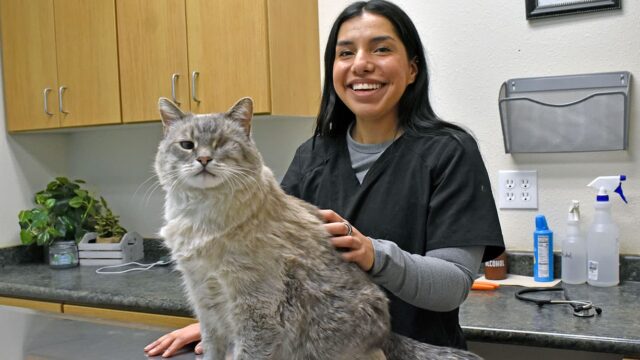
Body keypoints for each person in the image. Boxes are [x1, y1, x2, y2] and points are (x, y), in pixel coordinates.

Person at [144, 0, 504, 357]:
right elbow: (265, 269)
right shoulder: (313, 154)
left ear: (412, 69)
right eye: (345, 53)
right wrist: (222, 319)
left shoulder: (449, 151)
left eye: (381, 49)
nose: (361, 64)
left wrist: (373, 254)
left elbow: (453, 284)